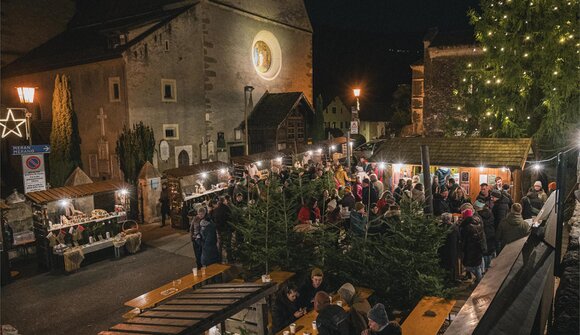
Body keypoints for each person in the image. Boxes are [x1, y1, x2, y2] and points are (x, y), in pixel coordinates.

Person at [460, 208, 486, 285]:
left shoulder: (467, 227)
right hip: (478, 247)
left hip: (470, 249)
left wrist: (462, 248)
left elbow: (464, 239)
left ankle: (479, 281)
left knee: (470, 266)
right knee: (477, 265)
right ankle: (479, 280)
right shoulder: (478, 223)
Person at [474, 200, 496, 270]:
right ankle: (488, 266)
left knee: (484, 252)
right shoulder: (490, 212)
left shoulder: (478, 215)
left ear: (477, 207)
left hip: (484, 234)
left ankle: (484, 268)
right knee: (489, 252)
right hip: (491, 233)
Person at [438, 213, 459, 283]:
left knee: (444, 264)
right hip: (452, 249)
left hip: (442, 249)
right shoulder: (454, 227)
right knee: (452, 265)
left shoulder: (439, 227)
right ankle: (452, 279)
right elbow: (459, 237)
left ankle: (444, 279)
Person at [213, 195, 232, 262]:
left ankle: (219, 258)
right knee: (228, 244)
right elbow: (230, 218)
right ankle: (229, 258)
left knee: (220, 244)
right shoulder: (227, 208)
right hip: (226, 229)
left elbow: (213, 218)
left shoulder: (216, 209)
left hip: (219, 229)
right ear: (224, 201)